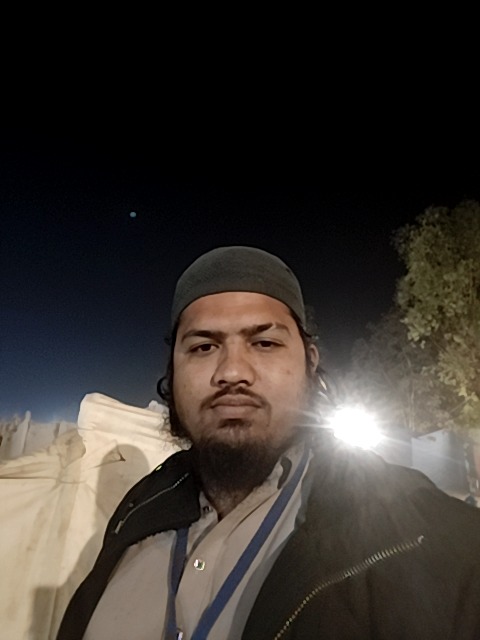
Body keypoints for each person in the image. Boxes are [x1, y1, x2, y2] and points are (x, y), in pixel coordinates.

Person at [57, 246, 480, 640]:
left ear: (309, 362)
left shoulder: (422, 534)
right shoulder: (138, 508)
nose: (232, 372)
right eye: (203, 347)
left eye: (264, 343)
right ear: (172, 370)